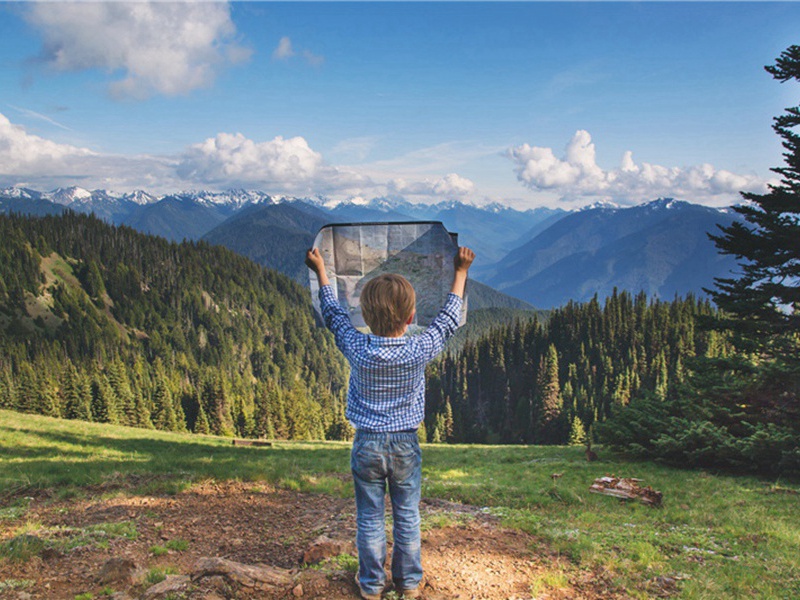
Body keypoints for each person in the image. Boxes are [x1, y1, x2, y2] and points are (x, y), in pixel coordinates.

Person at [305, 246, 475, 600]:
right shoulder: (418, 349)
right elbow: (446, 321)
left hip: (366, 443)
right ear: (411, 317)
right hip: (404, 446)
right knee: (407, 516)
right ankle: (409, 583)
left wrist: (321, 270)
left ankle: (370, 586)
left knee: (369, 518)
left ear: (365, 315)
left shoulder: (356, 345)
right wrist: (460, 271)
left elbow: (333, 314)